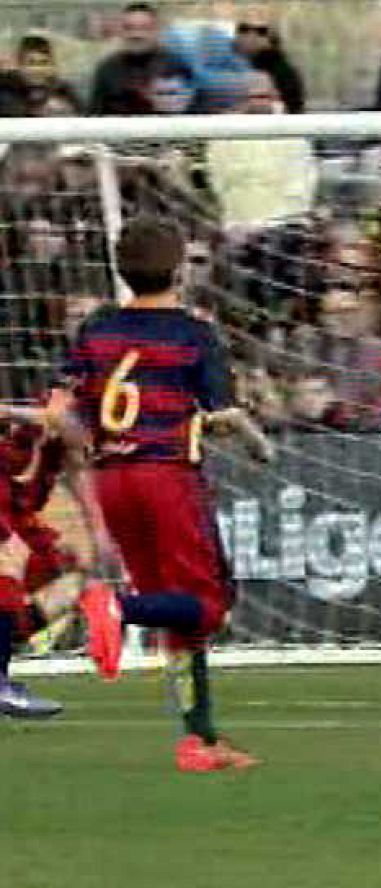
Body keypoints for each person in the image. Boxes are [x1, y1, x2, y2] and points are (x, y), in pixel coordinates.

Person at [54, 216, 273, 772]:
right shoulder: (193, 332)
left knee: (177, 614)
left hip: (112, 479)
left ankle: (198, 741)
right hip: (166, 476)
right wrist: (259, 445)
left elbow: (65, 411)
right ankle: (114, 607)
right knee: (210, 604)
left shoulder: (97, 328)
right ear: (179, 269)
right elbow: (222, 413)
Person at [0, 401, 116, 719]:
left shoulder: (74, 438)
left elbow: (79, 469)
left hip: (20, 514)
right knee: (9, 567)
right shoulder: (50, 413)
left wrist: (99, 530)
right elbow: (62, 421)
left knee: (69, 583)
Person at [88, 2, 192, 115]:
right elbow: (94, 115)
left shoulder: (176, 65)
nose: (136, 34)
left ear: (156, 30)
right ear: (120, 31)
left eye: (144, 28)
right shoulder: (107, 69)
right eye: (129, 28)